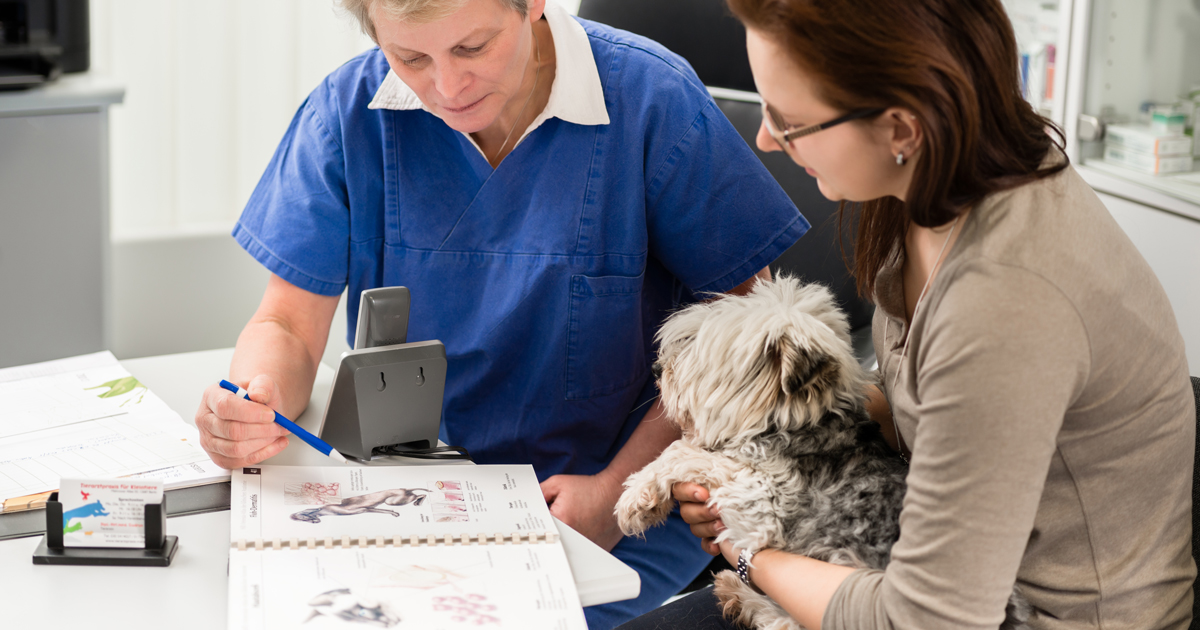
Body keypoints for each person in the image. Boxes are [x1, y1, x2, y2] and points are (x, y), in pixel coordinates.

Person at [192, 0, 808, 627]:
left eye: (472, 48)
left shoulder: (653, 101)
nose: (447, 87)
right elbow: (287, 326)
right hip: (412, 496)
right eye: (410, 57)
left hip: (620, 504)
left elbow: (748, 342)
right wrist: (251, 398)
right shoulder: (347, 114)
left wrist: (617, 489)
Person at [619, 0, 1196, 629]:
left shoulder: (1007, 301)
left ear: (901, 129)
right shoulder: (930, 188)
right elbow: (924, 406)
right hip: (916, 565)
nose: (765, 139)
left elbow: (926, 620)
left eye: (791, 123)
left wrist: (749, 552)